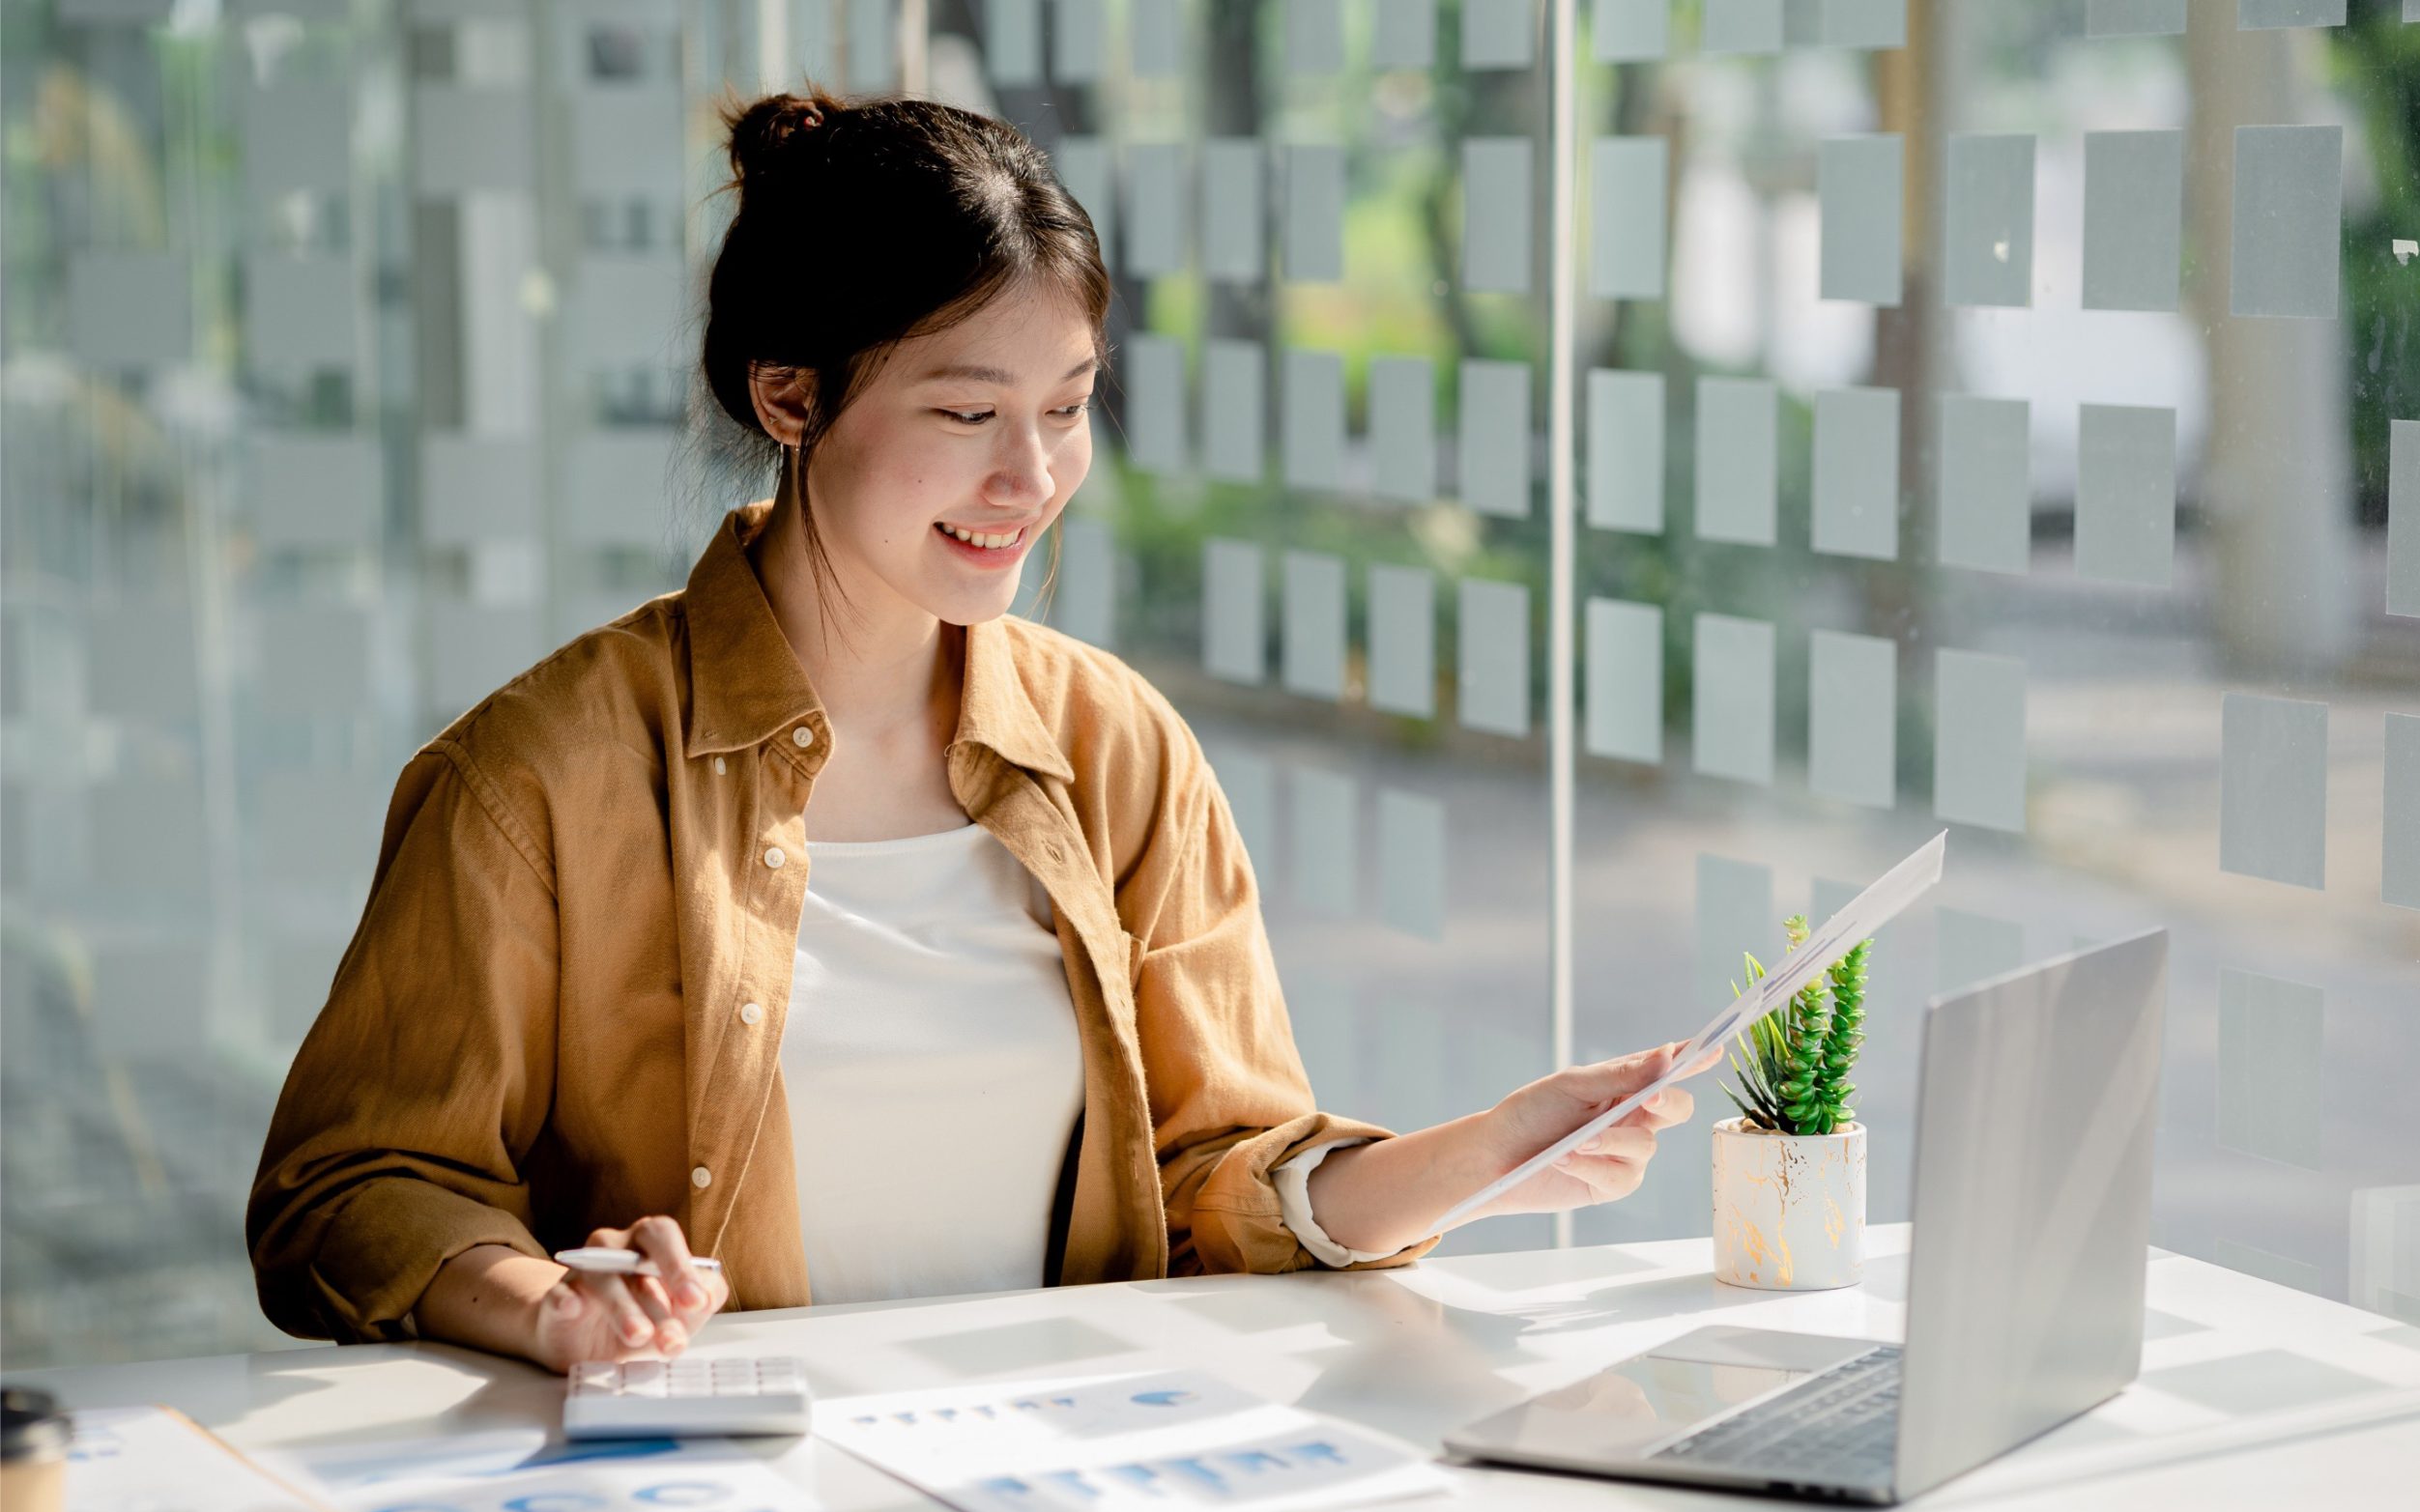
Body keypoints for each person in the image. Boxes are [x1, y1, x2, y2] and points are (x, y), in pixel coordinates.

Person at [246, 91, 1709, 1375]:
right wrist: (548, 1302)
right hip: (719, 1505)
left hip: (1053, 1482)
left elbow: (1212, 1174)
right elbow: (352, 1185)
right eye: (966, 412)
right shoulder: (541, 777)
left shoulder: (1113, 746)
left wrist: (1474, 1164)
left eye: (1067, 410)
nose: (1032, 475)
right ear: (790, 393)